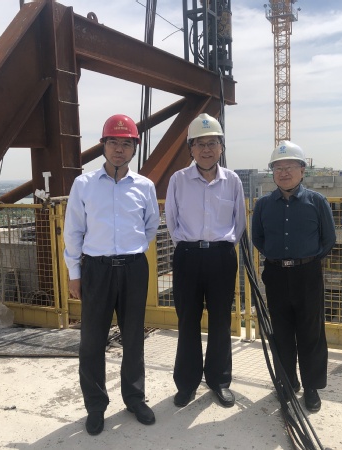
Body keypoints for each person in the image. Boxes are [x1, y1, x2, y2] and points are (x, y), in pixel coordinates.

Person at [63, 114, 160, 435]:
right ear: (103, 145)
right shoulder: (84, 185)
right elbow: (73, 230)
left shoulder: (144, 186)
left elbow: (150, 226)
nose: (120, 149)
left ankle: (134, 398)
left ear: (134, 148)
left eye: (126, 144)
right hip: (97, 269)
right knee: (92, 341)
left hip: (133, 268)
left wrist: (131, 250)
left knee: (133, 338)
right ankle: (95, 406)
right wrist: (75, 273)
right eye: (114, 142)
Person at [165, 113, 246, 408]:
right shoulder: (178, 180)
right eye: (199, 144)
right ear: (191, 149)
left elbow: (239, 222)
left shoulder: (232, 181)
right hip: (188, 256)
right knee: (187, 321)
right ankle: (187, 383)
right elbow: (171, 221)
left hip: (221, 256)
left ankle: (219, 380)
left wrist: (221, 248)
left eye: (212, 143)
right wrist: (190, 247)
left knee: (221, 320)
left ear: (221, 147)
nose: (206, 149)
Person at [251, 141, 336, 412]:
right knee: (282, 332)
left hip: (307, 273)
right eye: (278, 168)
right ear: (272, 173)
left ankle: (311, 387)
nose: (284, 172)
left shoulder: (317, 202)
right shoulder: (264, 205)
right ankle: (288, 382)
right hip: (276, 273)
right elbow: (258, 239)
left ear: (302, 170)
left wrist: (306, 260)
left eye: (289, 166)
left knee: (311, 332)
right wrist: (279, 260)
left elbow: (329, 239)